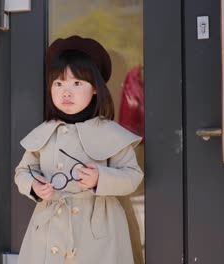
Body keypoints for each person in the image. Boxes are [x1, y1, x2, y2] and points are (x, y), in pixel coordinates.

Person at [14, 35, 144, 264]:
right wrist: (33, 186)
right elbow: (23, 171)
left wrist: (100, 178)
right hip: (49, 226)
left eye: (76, 83)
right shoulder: (45, 132)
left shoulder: (109, 133)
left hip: (98, 230)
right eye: (58, 83)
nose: (66, 92)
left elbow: (133, 176)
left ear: (95, 88)